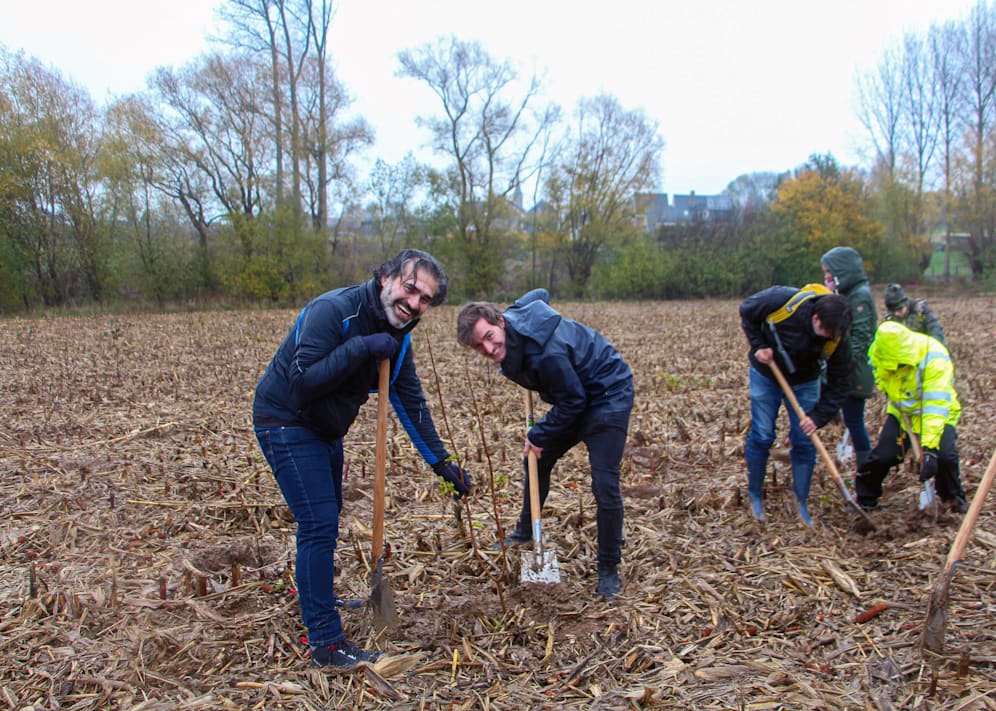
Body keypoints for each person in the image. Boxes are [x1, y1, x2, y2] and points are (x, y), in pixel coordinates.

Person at [253, 249, 472, 670]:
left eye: (425, 299)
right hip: (284, 419)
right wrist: (360, 348)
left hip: (325, 430)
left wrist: (441, 464)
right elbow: (302, 384)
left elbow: (409, 400)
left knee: (326, 518)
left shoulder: (399, 336)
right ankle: (326, 644)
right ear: (386, 277)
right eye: (410, 289)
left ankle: (316, 594)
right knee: (318, 523)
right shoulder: (332, 311)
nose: (414, 304)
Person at [456, 289, 633, 601]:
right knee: (535, 460)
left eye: (489, 336)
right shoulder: (515, 316)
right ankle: (525, 532)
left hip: (607, 394)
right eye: (478, 345)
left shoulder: (546, 355)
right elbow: (540, 294)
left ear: (500, 322)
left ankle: (608, 569)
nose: (488, 347)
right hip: (574, 395)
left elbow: (574, 401)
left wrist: (539, 434)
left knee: (604, 483)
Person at [740, 287, 852, 525]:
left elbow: (841, 382)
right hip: (766, 373)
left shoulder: (837, 337)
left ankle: (800, 501)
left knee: (804, 439)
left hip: (805, 382)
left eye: (832, 335)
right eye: (824, 331)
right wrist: (759, 345)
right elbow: (746, 309)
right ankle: (755, 496)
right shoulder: (783, 301)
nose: (827, 338)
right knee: (762, 435)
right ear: (815, 318)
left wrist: (818, 416)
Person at [856, 321, 967, 512]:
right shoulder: (879, 353)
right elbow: (883, 380)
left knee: (945, 457)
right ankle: (866, 498)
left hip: (936, 414)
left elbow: (935, 405)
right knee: (883, 456)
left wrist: (929, 449)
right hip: (903, 414)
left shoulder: (934, 357)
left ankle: (953, 500)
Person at [821, 246, 878, 469]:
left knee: (855, 422)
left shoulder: (860, 297)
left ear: (842, 271)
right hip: (849, 368)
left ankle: (866, 472)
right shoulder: (848, 294)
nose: (826, 277)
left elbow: (860, 339)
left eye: (829, 272)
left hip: (856, 372)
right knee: (853, 421)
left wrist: (838, 367)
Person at [883, 283, 947, 347]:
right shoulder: (889, 319)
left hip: (926, 348)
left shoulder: (920, 309)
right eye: (893, 311)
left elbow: (934, 326)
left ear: (906, 303)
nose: (896, 314)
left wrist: (934, 345)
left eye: (899, 309)